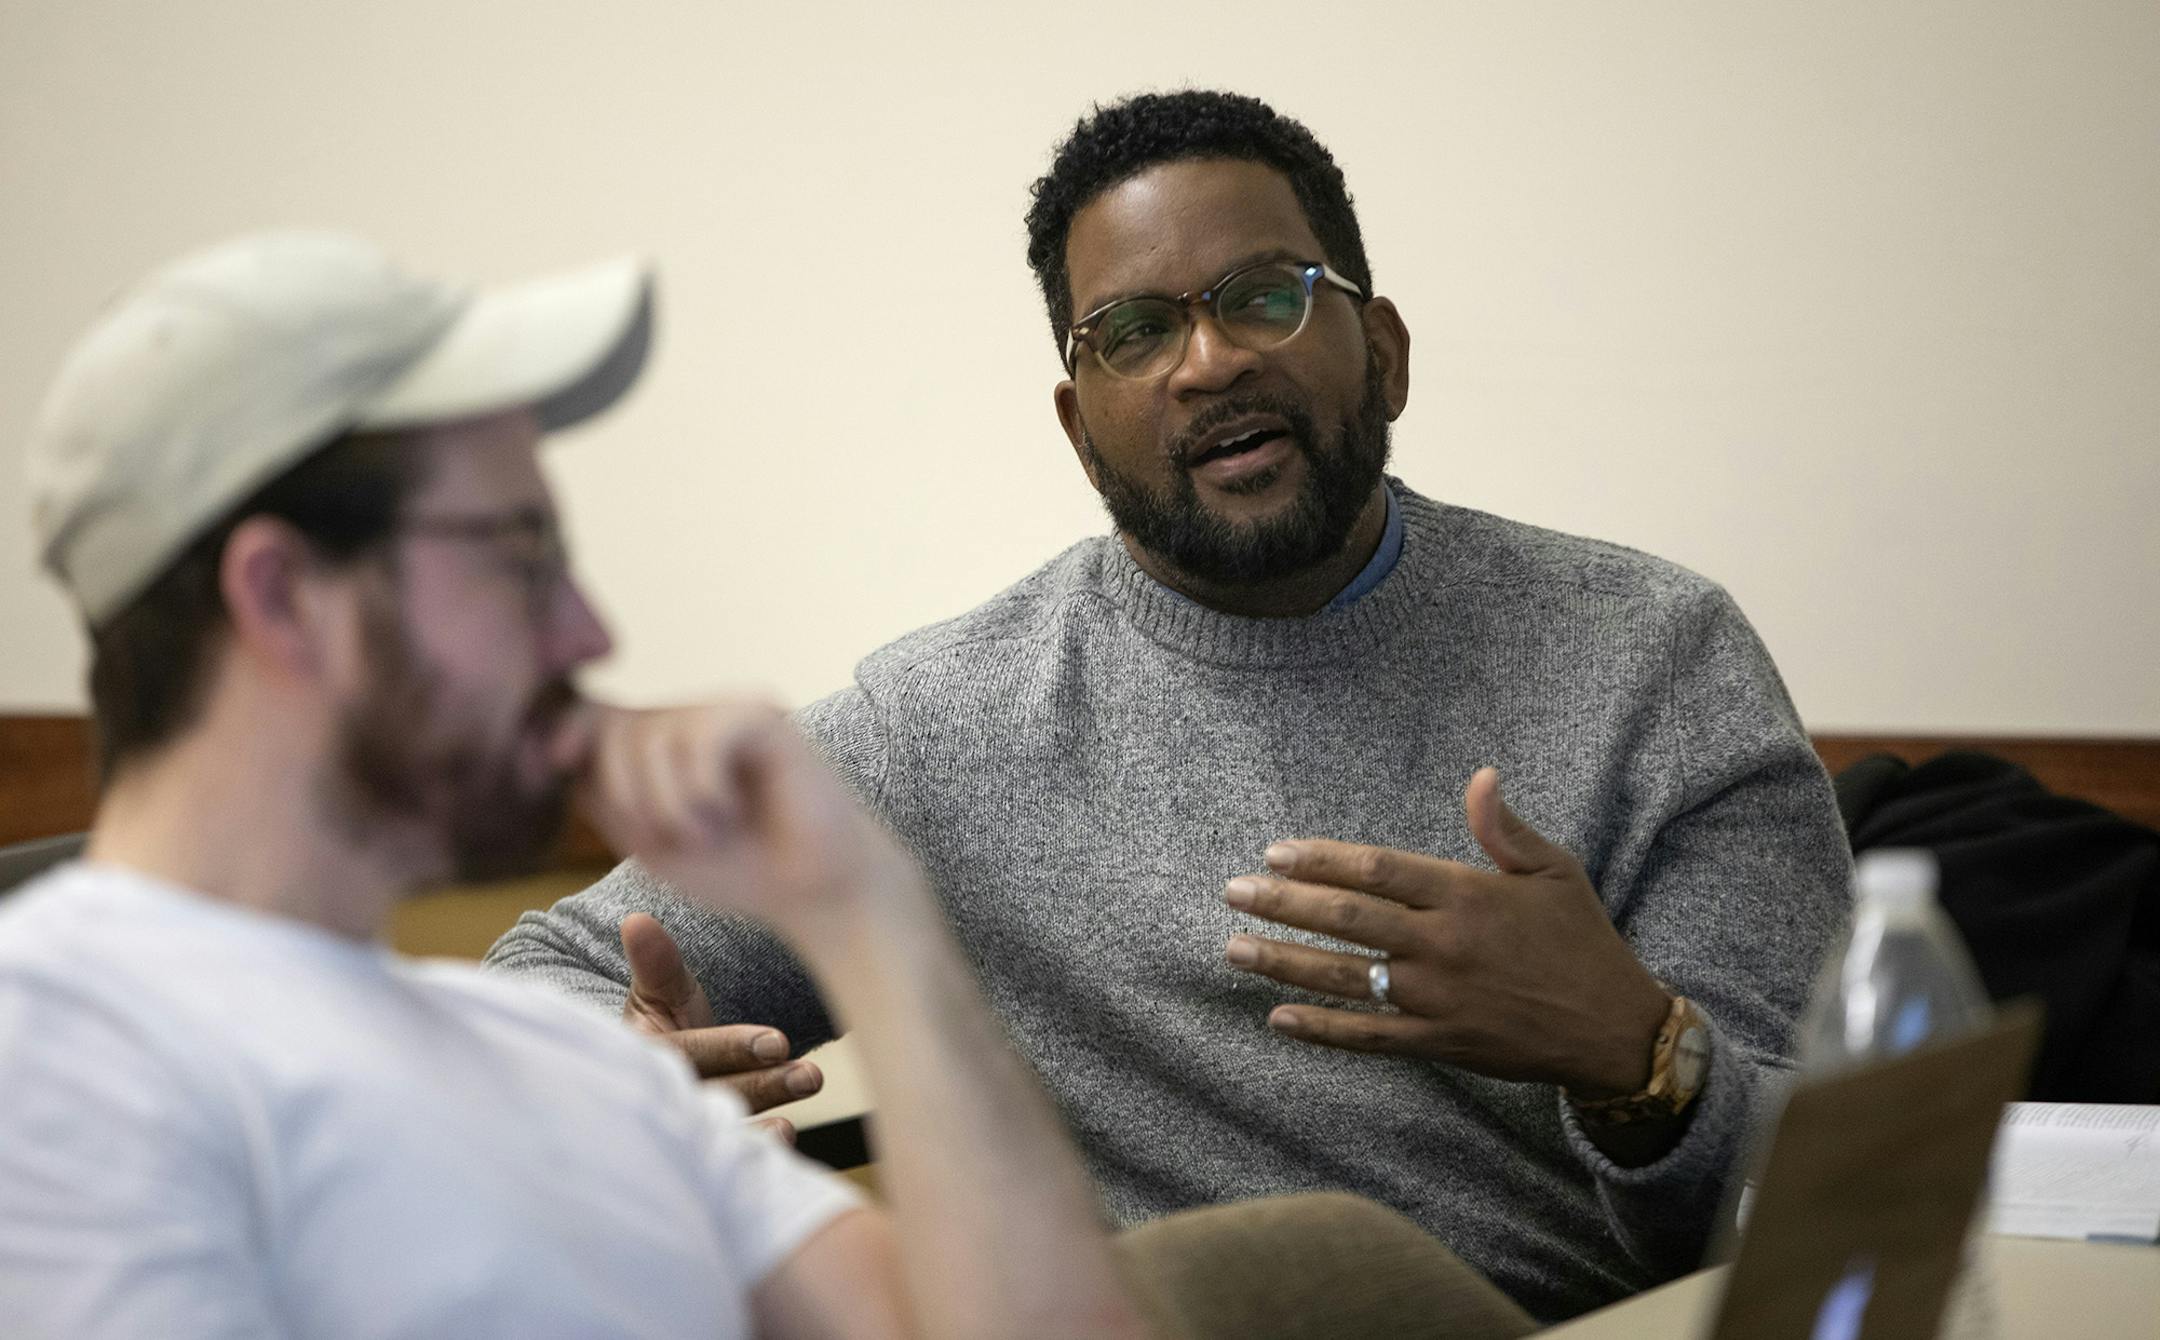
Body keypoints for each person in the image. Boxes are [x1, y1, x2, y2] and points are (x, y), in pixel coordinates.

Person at [488, 90, 1852, 1323]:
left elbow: (1836, 1208)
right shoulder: (938, 730)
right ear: (1081, 429)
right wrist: (609, 1074)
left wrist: (1630, 1050)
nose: (1208, 364)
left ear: (1381, 351)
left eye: (1264, 297)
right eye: (1135, 333)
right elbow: (548, 975)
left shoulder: (1655, 659)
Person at [0, 233, 1160, 1339]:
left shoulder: (568, 1062)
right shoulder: (54, 1053)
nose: (587, 629)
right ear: (284, 596)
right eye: (518, 557)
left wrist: (868, 913)